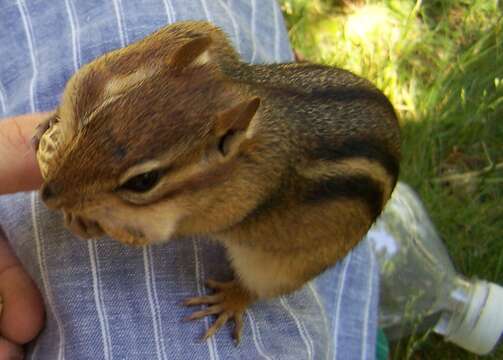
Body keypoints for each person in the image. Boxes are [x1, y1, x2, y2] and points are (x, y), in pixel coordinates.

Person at [0, 1, 378, 359]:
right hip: (318, 109)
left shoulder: (240, 187)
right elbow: (197, 35)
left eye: (142, 181)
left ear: (228, 140)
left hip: (310, 224)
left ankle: (241, 295)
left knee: (266, 276)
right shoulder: (200, 61)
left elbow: (175, 226)